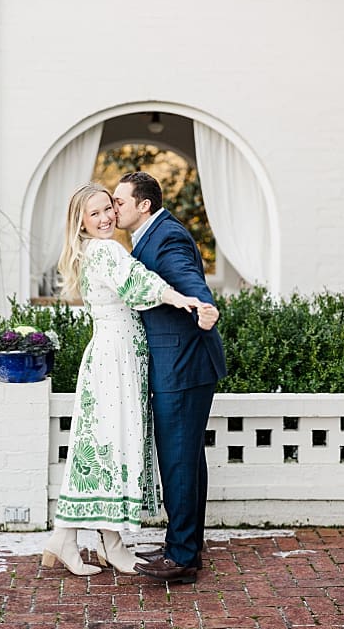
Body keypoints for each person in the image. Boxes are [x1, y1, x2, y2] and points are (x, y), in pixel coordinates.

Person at [42, 183, 216, 577]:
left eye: (109, 208)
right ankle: (90, 540)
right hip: (115, 359)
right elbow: (139, 284)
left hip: (114, 355)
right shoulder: (105, 250)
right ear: (81, 223)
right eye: (96, 213)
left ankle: (79, 538)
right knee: (108, 447)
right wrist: (185, 300)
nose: (106, 217)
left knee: (103, 446)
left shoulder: (94, 251)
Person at [112, 171, 227, 584]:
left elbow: (188, 280)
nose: (114, 207)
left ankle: (180, 559)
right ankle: (187, 546)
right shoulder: (153, 234)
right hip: (184, 364)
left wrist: (204, 307)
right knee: (187, 459)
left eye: (120, 201)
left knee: (178, 460)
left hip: (182, 365)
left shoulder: (166, 238)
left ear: (144, 204)